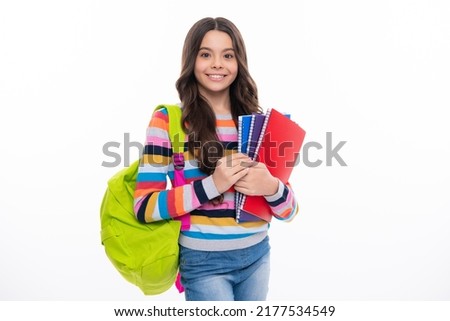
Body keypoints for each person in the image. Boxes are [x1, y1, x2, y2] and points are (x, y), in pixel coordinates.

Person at [133, 17, 298, 301]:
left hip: (258, 258)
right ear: (191, 60)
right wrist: (213, 184)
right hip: (204, 264)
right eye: (206, 54)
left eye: (228, 55)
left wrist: (272, 187)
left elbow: (290, 211)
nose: (217, 64)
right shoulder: (168, 121)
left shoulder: (258, 122)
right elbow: (145, 206)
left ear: (239, 62)